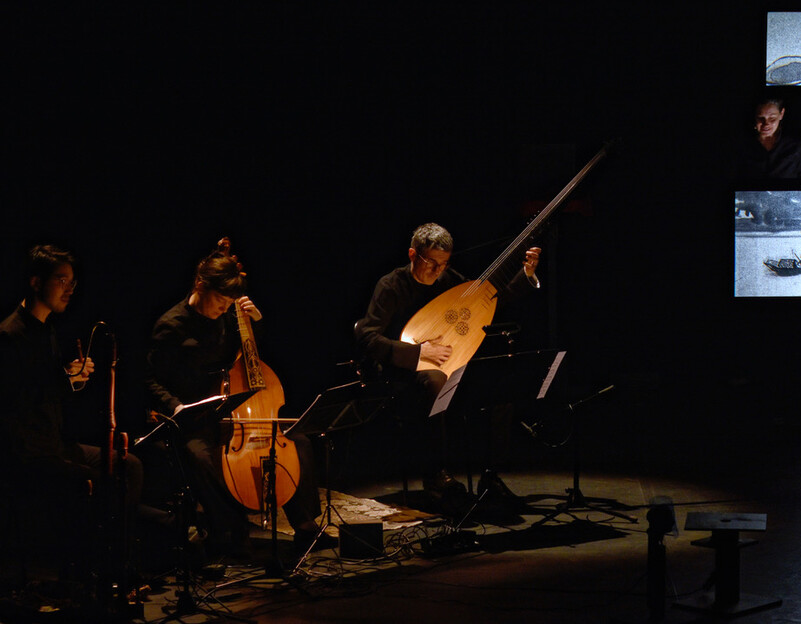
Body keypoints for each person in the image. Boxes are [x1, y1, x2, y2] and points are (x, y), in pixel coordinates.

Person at [144, 244, 333, 557]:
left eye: (230, 301)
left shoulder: (229, 316)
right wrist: (176, 405)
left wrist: (254, 321)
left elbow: (248, 355)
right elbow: (151, 379)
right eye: (221, 299)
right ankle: (228, 532)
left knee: (298, 441)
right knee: (200, 457)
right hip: (196, 417)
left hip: (233, 409)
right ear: (200, 286)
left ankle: (306, 527)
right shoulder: (172, 325)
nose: (225, 307)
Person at [354, 223, 540, 498]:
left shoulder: (449, 280)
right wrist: (418, 354)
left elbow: (486, 303)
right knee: (436, 381)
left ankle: (491, 475)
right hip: (401, 373)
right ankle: (436, 474)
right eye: (431, 262)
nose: (437, 270)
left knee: (498, 384)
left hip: (448, 365)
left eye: (443, 263)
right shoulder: (391, 285)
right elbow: (367, 337)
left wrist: (526, 273)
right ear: (413, 254)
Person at [0, 244, 143, 547]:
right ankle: (97, 558)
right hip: (27, 452)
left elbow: (49, 388)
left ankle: (119, 550)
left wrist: (73, 379)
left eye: (72, 282)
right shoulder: (9, 335)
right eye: (61, 281)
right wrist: (64, 379)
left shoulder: (46, 329)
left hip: (53, 442)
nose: (69, 290)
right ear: (36, 281)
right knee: (99, 481)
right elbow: (17, 400)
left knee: (128, 464)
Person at [738, 98, 801, 179]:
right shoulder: (743, 146)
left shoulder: (797, 146)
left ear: (781, 114)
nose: (766, 124)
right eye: (761, 118)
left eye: (772, 118)